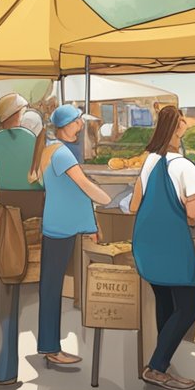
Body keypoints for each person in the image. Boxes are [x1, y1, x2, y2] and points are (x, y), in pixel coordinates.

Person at [128, 106, 195, 390]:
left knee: (166, 303)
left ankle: (161, 361)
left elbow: (134, 205)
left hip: (146, 242)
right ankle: (156, 368)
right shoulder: (184, 166)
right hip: (172, 244)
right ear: (179, 128)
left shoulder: (150, 161)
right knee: (189, 307)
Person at [29, 104, 113, 369]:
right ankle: (51, 348)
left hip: (58, 224)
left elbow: (35, 179)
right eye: (78, 122)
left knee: (50, 287)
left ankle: (48, 346)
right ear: (67, 125)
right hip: (61, 227)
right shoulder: (62, 154)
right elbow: (84, 185)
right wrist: (107, 199)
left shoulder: (47, 148)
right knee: (52, 288)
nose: (81, 126)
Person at [0, 94, 45, 387]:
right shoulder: (33, 140)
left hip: (8, 211)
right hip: (36, 214)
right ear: (20, 113)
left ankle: (4, 369)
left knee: (6, 289)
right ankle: (43, 353)